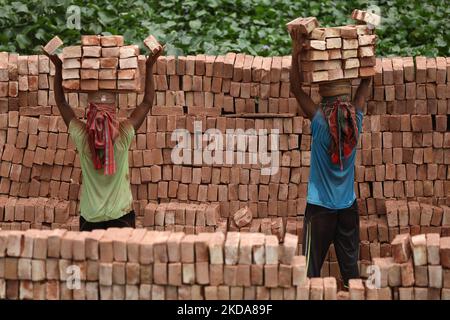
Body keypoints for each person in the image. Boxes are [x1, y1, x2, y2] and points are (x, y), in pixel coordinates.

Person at [43, 44, 164, 231]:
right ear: (113, 114)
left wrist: (58, 68)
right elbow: (147, 101)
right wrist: (149, 66)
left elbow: (61, 102)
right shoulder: (123, 135)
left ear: (90, 114)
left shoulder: (82, 137)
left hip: (90, 217)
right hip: (121, 216)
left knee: (91, 261)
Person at [289, 28, 372, 287]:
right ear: (346, 102)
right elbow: (366, 83)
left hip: (320, 210)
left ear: (325, 102)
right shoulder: (354, 122)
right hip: (348, 208)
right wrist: (366, 49)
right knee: (351, 275)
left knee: (309, 275)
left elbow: (296, 88)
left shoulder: (321, 123)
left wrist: (295, 52)